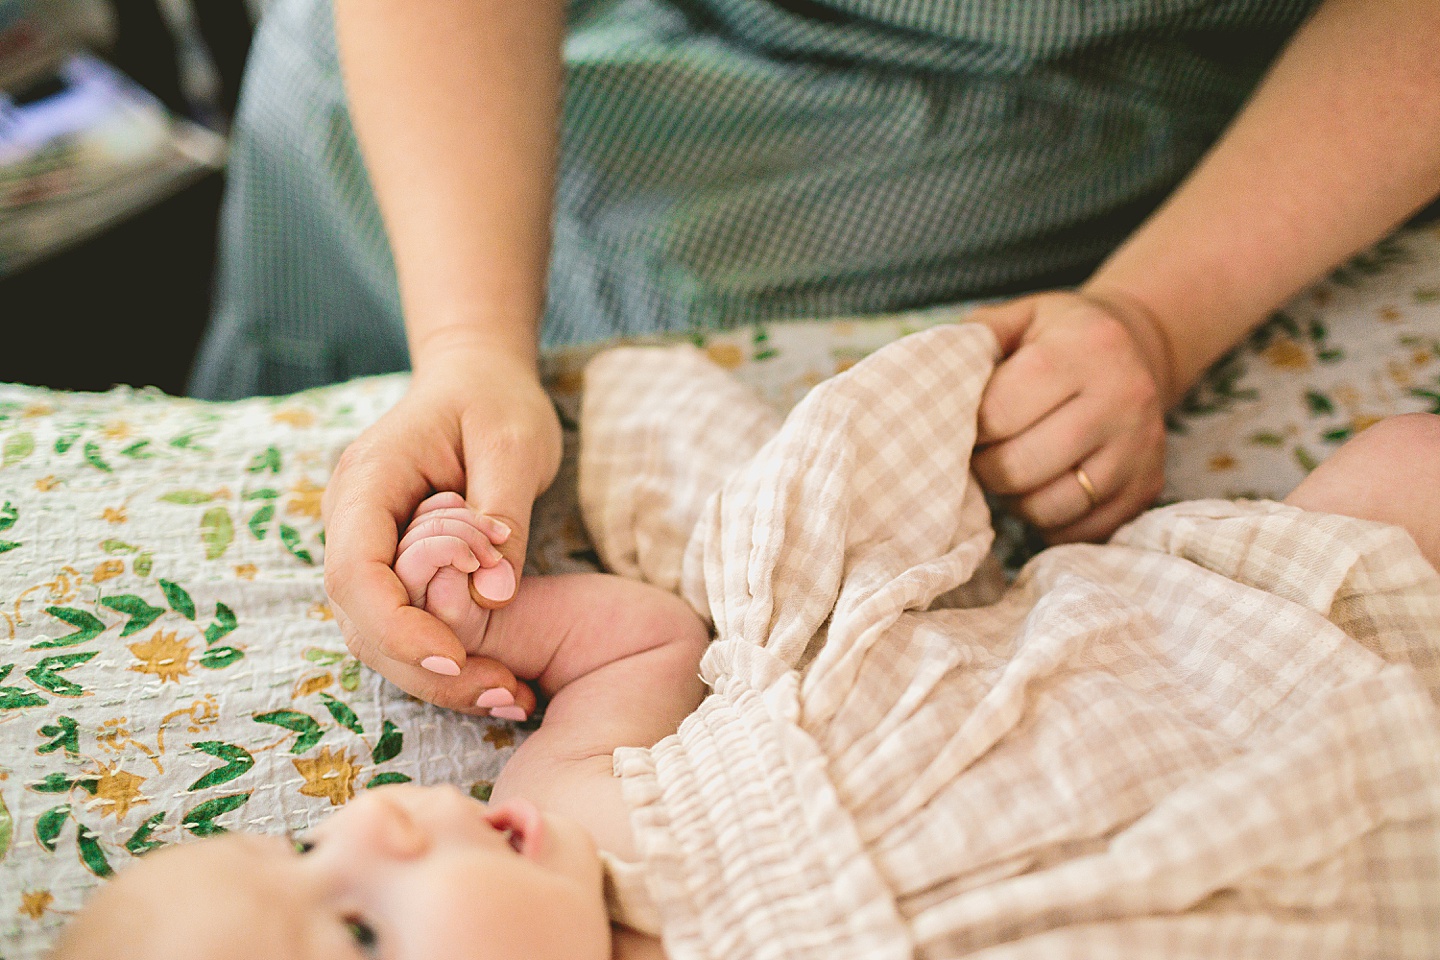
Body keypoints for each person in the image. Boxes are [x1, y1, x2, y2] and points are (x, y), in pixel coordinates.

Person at [188, 0, 1440, 727]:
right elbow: (654, 651)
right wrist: (467, 349)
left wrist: (1156, 314)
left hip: (1098, 120)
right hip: (459, 91)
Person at [53, 325, 1440, 960]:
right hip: (1279, 892)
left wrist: (487, 613)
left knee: (1404, 469)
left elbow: (641, 647)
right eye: (356, 937)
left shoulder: (567, 808)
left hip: (1189, 665)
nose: (379, 832)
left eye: (307, 845)